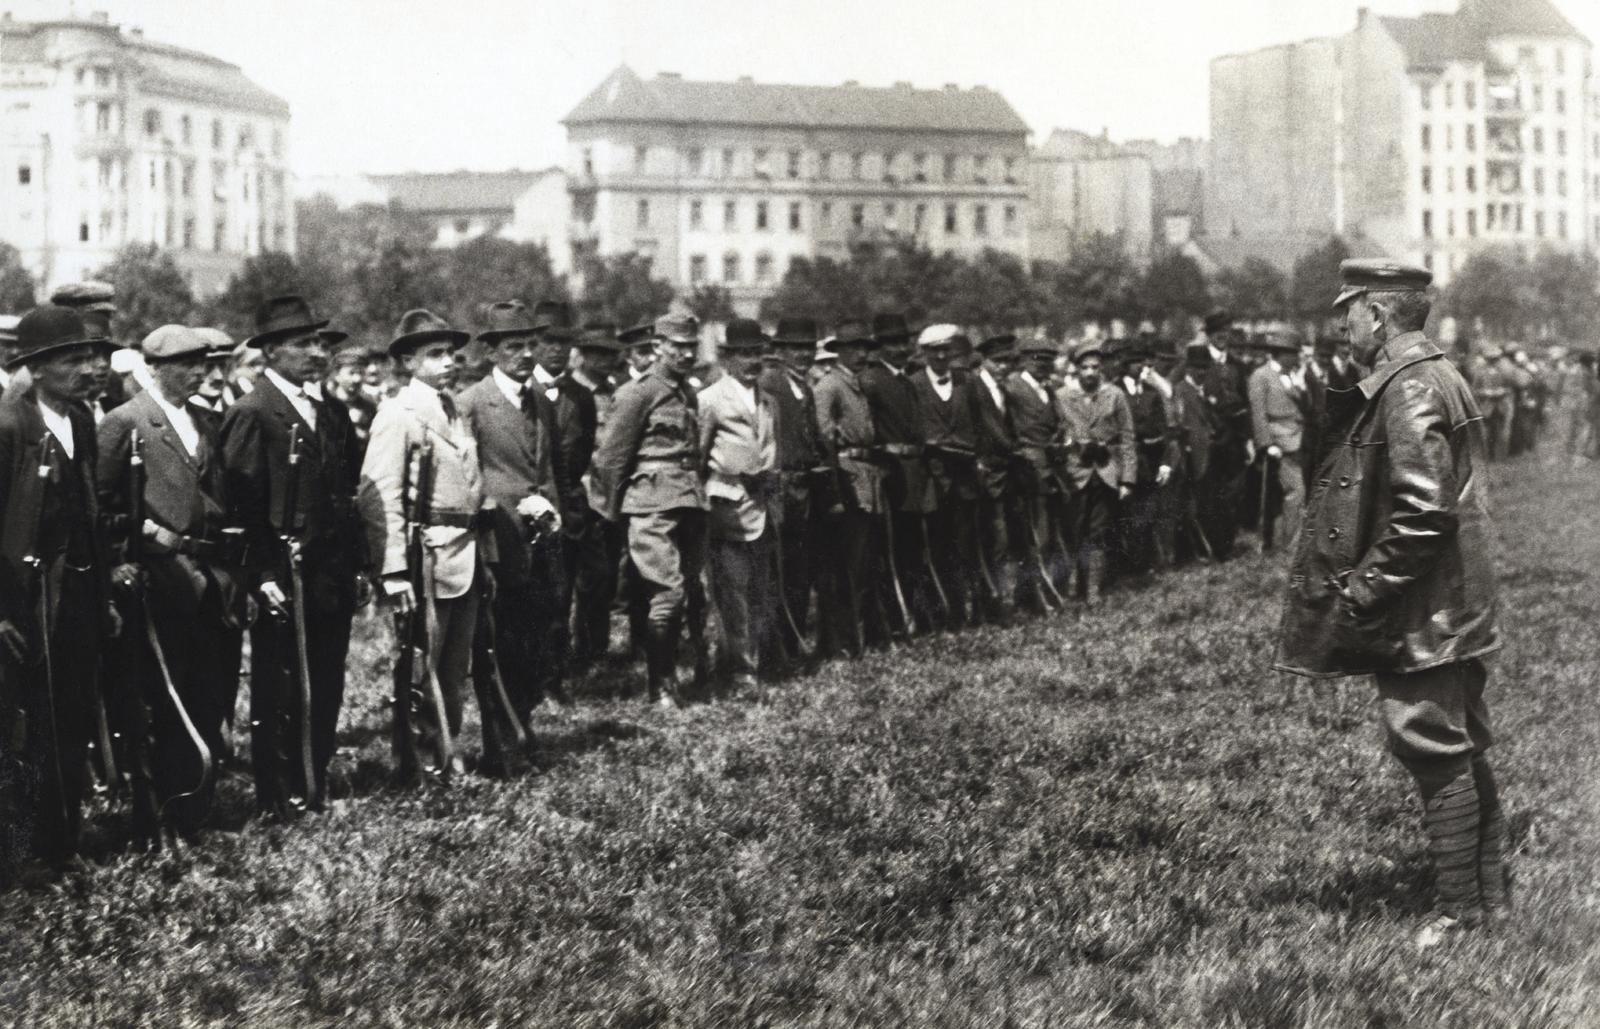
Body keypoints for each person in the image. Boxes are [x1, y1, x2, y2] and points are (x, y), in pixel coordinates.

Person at [1276, 259, 1506, 949]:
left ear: (1376, 315)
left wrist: (1365, 588)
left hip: (1425, 606)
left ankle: (1460, 911)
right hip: (1453, 598)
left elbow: (1423, 510)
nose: (1342, 328)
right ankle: (1487, 898)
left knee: (1433, 745)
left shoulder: (1406, 388)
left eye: (1347, 313)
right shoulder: (1435, 374)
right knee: (1460, 745)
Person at [97, 325, 246, 845]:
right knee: (162, 699)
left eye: (203, 363)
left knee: (209, 691)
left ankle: (194, 810)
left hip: (210, 580)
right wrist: (118, 563)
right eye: (186, 364)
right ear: (154, 368)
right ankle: (157, 814)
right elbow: (100, 505)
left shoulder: (205, 422)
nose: (199, 372)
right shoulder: (126, 422)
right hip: (158, 581)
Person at [221, 295, 369, 817]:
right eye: (303, 343)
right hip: (282, 574)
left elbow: (346, 491)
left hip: (330, 572)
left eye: (319, 342)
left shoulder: (328, 411)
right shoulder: (252, 412)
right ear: (271, 351)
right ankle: (275, 791)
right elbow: (241, 502)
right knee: (279, 682)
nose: (316, 352)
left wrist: (359, 563)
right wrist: (261, 573)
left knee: (326, 677)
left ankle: (313, 780)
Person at [0, 306, 117, 878]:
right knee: (19, 728)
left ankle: (60, 841)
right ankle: (15, 854)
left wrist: (105, 597)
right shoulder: (10, 426)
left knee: (70, 718)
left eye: (91, 356)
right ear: (39, 369)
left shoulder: (84, 422)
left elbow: (90, 512)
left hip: (79, 596)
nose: (88, 368)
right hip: (22, 602)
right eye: (74, 360)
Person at [361, 310, 497, 779]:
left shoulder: (454, 410)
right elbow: (379, 495)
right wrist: (394, 570)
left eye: (451, 354)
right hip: (426, 558)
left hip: (464, 552)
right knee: (421, 665)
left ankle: (445, 752)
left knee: (454, 667)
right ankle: (415, 762)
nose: (448, 363)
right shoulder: (398, 415)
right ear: (407, 362)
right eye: (435, 354)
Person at [458, 301, 564, 765]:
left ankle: (523, 723)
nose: (526, 355)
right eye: (514, 346)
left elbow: (547, 467)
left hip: (540, 538)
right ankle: (499, 741)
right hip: (497, 540)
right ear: (492, 352)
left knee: (534, 638)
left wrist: (552, 512)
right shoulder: (472, 403)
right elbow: (467, 475)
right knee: (498, 641)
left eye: (530, 345)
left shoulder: (540, 398)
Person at [589, 314, 708, 705]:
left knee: (689, 591)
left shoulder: (687, 392)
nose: (687, 353)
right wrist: (609, 515)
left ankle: (677, 673)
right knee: (668, 593)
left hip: (689, 502)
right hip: (650, 506)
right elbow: (611, 459)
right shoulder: (638, 393)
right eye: (678, 346)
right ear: (658, 346)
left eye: (692, 346)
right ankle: (661, 687)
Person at [698, 319, 779, 692]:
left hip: (762, 506)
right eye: (743, 354)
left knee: (758, 591)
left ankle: (755, 663)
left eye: (757, 353)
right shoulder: (711, 399)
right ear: (728, 358)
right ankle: (737, 671)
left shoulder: (768, 400)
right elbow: (698, 458)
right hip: (726, 508)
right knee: (730, 595)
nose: (752, 361)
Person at [811, 320, 885, 656]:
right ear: (837, 351)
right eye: (853, 347)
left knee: (862, 563)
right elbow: (825, 436)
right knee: (845, 565)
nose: (860, 354)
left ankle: (854, 638)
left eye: (864, 348)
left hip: (866, 476)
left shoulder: (856, 384)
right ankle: (840, 641)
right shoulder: (830, 386)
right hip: (846, 477)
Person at [858, 313, 933, 634]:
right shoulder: (872, 381)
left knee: (912, 547)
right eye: (892, 343)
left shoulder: (906, 379)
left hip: (913, 475)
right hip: (889, 475)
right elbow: (867, 430)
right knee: (888, 550)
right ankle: (893, 618)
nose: (901, 348)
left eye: (904, 342)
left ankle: (914, 614)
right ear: (880, 348)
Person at [759, 317, 824, 666]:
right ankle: (776, 650)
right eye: (795, 349)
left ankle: (792, 643)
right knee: (779, 573)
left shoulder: (806, 387)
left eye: (808, 349)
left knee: (799, 570)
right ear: (780, 352)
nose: (803, 355)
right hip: (781, 487)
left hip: (803, 487)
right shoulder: (771, 385)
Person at [911, 324, 980, 628]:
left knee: (965, 546)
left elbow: (983, 424)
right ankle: (937, 613)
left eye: (946, 349)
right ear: (924, 353)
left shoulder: (968, 382)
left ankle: (964, 610)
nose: (940, 355)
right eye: (934, 350)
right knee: (934, 548)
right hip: (931, 480)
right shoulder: (913, 385)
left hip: (964, 479)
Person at [566, 324, 626, 671]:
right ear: (583, 354)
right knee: (574, 579)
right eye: (597, 353)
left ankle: (594, 648)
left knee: (602, 578)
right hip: (577, 492)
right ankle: (571, 653)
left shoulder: (615, 392)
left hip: (608, 495)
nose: (605, 360)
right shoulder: (567, 392)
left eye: (610, 354)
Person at [1059, 341, 1136, 606]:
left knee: (1099, 532)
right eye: (1084, 368)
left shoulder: (1115, 395)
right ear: (1076, 369)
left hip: (1105, 471)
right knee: (1073, 530)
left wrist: (1127, 478)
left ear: (1102, 368)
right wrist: (1072, 444)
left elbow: (1127, 437)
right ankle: (1072, 587)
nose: (1090, 373)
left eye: (1095, 367)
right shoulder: (1062, 396)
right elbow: (1057, 435)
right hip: (1075, 473)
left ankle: (1093, 590)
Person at [1008, 337, 1070, 608]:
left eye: (1047, 361)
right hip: (1029, 468)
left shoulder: (1050, 388)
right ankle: (1034, 595)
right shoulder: (1013, 388)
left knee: (1052, 532)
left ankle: (1049, 589)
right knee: (1035, 535)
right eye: (1037, 360)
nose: (1043, 366)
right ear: (1023, 360)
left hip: (1053, 467)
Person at [968, 333, 1020, 624]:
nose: (1003, 367)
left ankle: (1003, 599)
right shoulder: (974, 388)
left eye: (1008, 362)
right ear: (985, 361)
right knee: (992, 539)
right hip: (986, 473)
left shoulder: (1004, 390)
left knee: (1004, 540)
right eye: (998, 362)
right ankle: (994, 603)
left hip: (1005, 473)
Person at [1112, 344, 1176, 576]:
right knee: (1126, 516)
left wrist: (1166, 462)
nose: (1141, 367)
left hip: (1149, 461)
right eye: (1135, 362)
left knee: (1148, 514)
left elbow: (1163, 429)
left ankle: (1145, 564)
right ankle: (1127, 566)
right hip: (1124, 462)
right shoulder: (1114, 391)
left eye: (1143, 362)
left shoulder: (1151, 392)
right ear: (1125, 366)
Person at [1248, 330, 1309, 551]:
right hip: (1279, 442)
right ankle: (1289, 544)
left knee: (1294, 493)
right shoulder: (1260, 376)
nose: (1297, 358)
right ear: (1281, 354)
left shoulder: (1290, 375)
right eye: (1293, 353)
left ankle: (1287, 541)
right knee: (1295, 492)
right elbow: (1258, 413)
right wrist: (1267, 443)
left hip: (1297, 439)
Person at [1197, 309, 1251, 559]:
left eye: (1226, 332)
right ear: (1209, 335)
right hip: (1209, 439)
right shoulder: (1199, 363)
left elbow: (1247, 403)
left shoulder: (1239, 366)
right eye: (1217, 332)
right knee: (1211, 494)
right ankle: (1217, 546)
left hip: (1235, 438)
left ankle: (1227, 541)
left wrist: (1248, 438)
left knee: (1235, 492)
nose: (1222, 337)